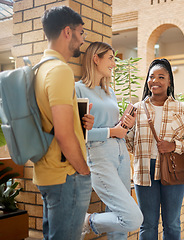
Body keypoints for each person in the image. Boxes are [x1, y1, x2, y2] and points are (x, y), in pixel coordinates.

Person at [34, 6, 94, 240]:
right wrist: (84, 170)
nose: (82, 40)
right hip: (66, 176)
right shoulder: (59, 71)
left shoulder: (40, 68)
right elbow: (63, 134)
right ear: (68, 32)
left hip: (48, 172)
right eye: (81, 33)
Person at [75, 41, 143, 240]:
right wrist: (112, 131)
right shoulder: (78, 89)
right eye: (111, 58)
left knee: (121, 222)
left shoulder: (109, 91)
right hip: (99, 155)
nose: (114, 63)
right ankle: (87, 221)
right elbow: (79, 133)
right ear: (96, 58)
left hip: (121, 153)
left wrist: (125, 124)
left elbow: (115, 128)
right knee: (132, 218)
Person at [126, 58, 184, 240]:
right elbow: (129, 144)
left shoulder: (181, 109)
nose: (155, 81)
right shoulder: (137, 109)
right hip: (144, 171)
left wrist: (173, 146)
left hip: (173, 169)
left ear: (169, 81)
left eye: (161, 77)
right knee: (147, 224)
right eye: (151, 77)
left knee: (172, 223)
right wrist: (126, 127)